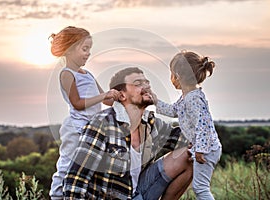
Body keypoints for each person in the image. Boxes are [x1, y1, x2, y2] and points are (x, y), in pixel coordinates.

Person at [63, 67, 193, 200]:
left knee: (188, 155)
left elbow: (189, 138)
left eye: (147, 82)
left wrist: (195, 104)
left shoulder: (151, 123)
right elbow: (75, 180)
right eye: (138, 84)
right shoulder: (102, 124)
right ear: (122, 95)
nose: (146, 86)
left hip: (139, 193)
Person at [48, 26, 120, 200]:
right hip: (75, 127)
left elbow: (107, 100)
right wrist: (104, 95)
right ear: (70, 49)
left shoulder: (87, 74)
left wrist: (119, 94)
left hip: (91, 127)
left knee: (87, 166)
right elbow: (78, 104)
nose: (88, 53)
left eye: (89, 49)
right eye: (84, 49)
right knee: (67, 163)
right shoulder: (67, 74)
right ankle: (56, 196)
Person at [155, 51, 222, 200]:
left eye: (171, 74)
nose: (170, 78)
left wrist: (200, 149)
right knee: (200, 187)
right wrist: (154, 101)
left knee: (201, 188)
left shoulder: (193, 99)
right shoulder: (188, 96)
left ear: (177, 76)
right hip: (205, 148)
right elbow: (173, 111)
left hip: (207, 150)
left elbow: (203, 125)